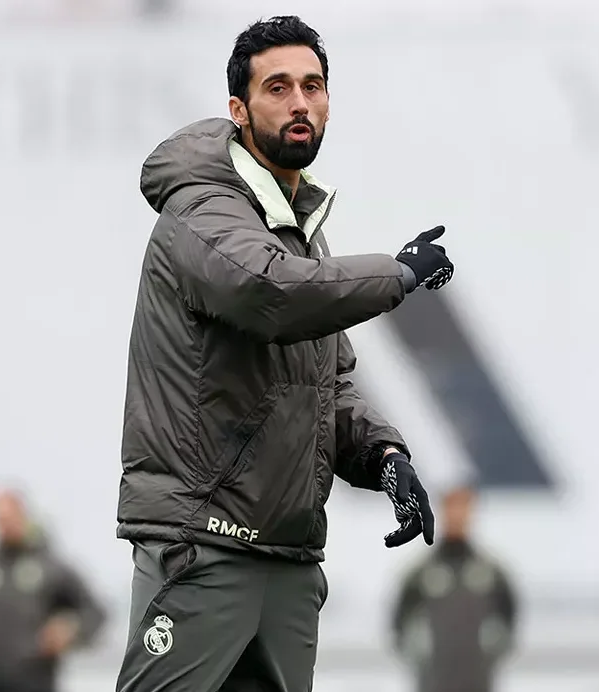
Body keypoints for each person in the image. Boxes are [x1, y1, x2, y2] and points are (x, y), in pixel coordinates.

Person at [114, 15, 456, 691]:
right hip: (204, 549)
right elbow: (269, 293)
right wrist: (398, 273)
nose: (299, 102)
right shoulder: (203, 210)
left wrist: (384, 455)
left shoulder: (296, 231)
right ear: (238, 110)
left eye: (312, 86)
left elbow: (328, 384)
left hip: (289, 561)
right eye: (277, 88)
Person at [0, 487, 106, 692]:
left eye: (9, 517)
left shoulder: (50, 568)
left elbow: (95, 613)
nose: (5, 525)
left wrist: (70, 629)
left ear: (23, 515)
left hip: (35, 681)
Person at [391, 484, 519, 692]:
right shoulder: (421, 575)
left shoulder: (491, 574)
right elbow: (399, 626)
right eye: (451, 506)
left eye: (463, 507)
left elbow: (509, 622)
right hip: (433, 684)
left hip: (478, 683)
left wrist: (490, 653)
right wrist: (421, 653)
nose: (457, 514)